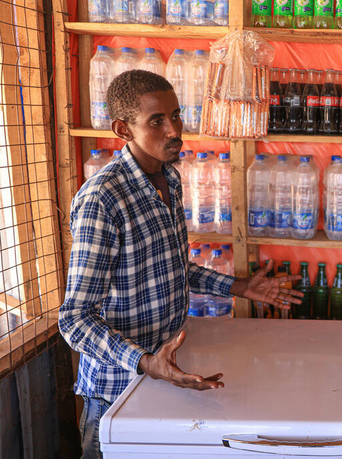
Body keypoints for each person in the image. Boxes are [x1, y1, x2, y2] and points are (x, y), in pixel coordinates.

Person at [59, 70, 303, 459]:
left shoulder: (168, 179)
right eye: (156, 121)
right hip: (117, 390)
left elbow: (169, 266)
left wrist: (238, 287)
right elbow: (75, 319)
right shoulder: (103, 199)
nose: (174, 130)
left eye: (176, 115)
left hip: (167, 371)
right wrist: (143, 362)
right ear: (123, 129)